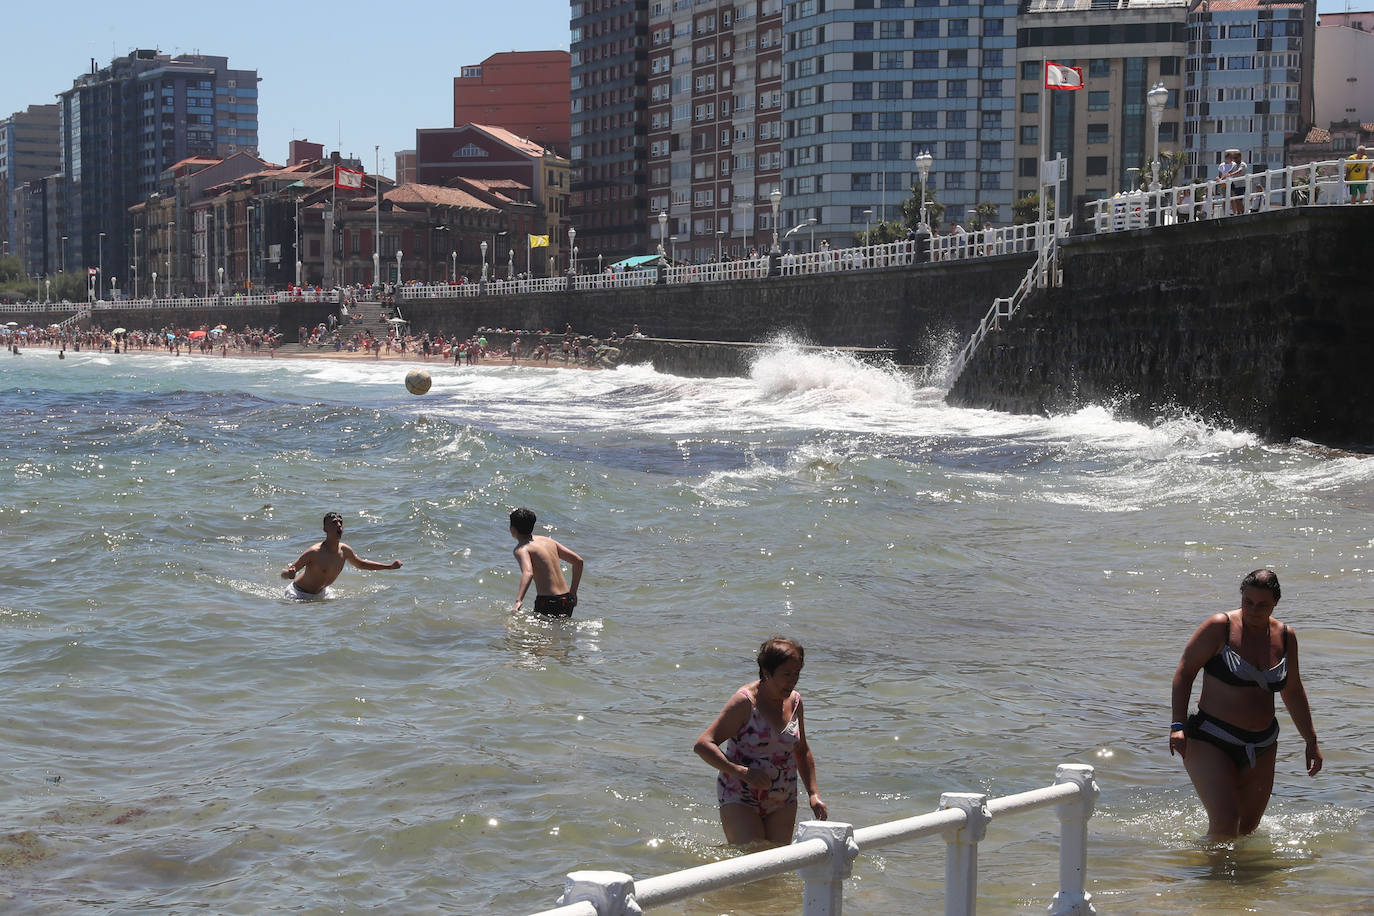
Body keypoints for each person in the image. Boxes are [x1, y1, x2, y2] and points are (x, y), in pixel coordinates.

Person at [1169, 569, 1321, 838]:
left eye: (1262, 604)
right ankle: (1209, 879)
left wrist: (1310, 740)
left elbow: (1293, 690)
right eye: (1247, 602)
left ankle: (1239, 880)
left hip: (1262, 743)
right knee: (1226, 821)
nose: (1253, 609)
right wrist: (1178, 725)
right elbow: (1184, 672)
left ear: (1276, 603)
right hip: (1211, 737)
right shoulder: (1219, 627)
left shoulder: (1286, 636)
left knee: (1247, 828)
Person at [695, 637, 827, 846]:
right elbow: (703, 744)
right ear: (766, 672)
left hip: (783, 799)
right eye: (786, 674)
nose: (792, 680)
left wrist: (813, 794)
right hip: (740, 795)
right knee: (750, 858)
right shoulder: (745, 702)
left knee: (777, 864)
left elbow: (801, 750)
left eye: (797, 674)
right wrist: (742, 772)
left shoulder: (795, 702)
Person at [280, 511, 403, 599]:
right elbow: (284, 573)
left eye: (340, 522)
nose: (339, 525)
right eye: (334, 523)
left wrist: (389, 567)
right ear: (325, 529)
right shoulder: (314, 552)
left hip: (322, 594)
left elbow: (361, 564)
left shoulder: (345, 550)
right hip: (298, 594)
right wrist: (290, 573)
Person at [509, 507, 584, 616]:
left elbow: (528, 572)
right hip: (566, 599)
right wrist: (573, 592)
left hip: (548, 601)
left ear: (513, 528)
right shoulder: (548, 541)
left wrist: (518, 600)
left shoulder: (521, 549)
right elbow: (578, 561)